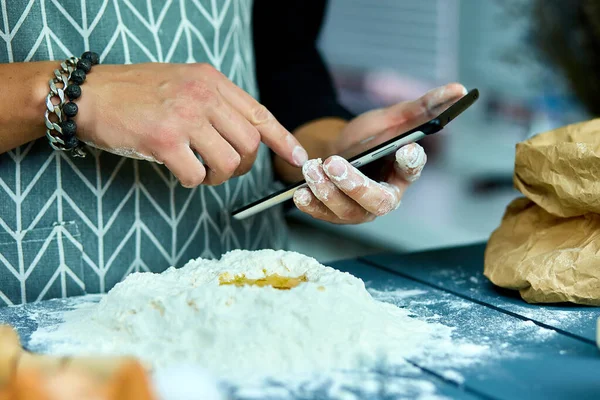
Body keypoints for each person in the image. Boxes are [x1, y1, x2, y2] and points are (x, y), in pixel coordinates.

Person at [0, 1, 467, 306]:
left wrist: (328, 150)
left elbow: (283, 61)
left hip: (242, 287)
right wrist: (67, 95)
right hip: (37, 297)